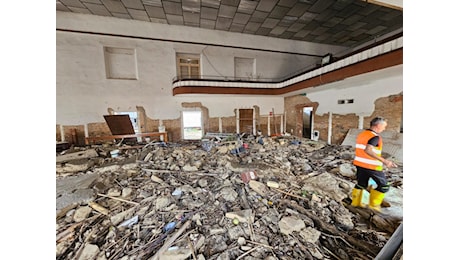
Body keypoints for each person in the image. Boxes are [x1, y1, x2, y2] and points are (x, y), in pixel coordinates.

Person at [351, 116, 398, 212]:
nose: (384, 129)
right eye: (384, 126)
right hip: (371, 166)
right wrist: (385, 161)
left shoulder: (362, 134)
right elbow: (368, 150)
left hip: (360, 164)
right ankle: (374, 206)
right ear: (378, 125)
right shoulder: (375, 137)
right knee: (384, 186)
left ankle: (355, 203)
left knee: (361, 184)